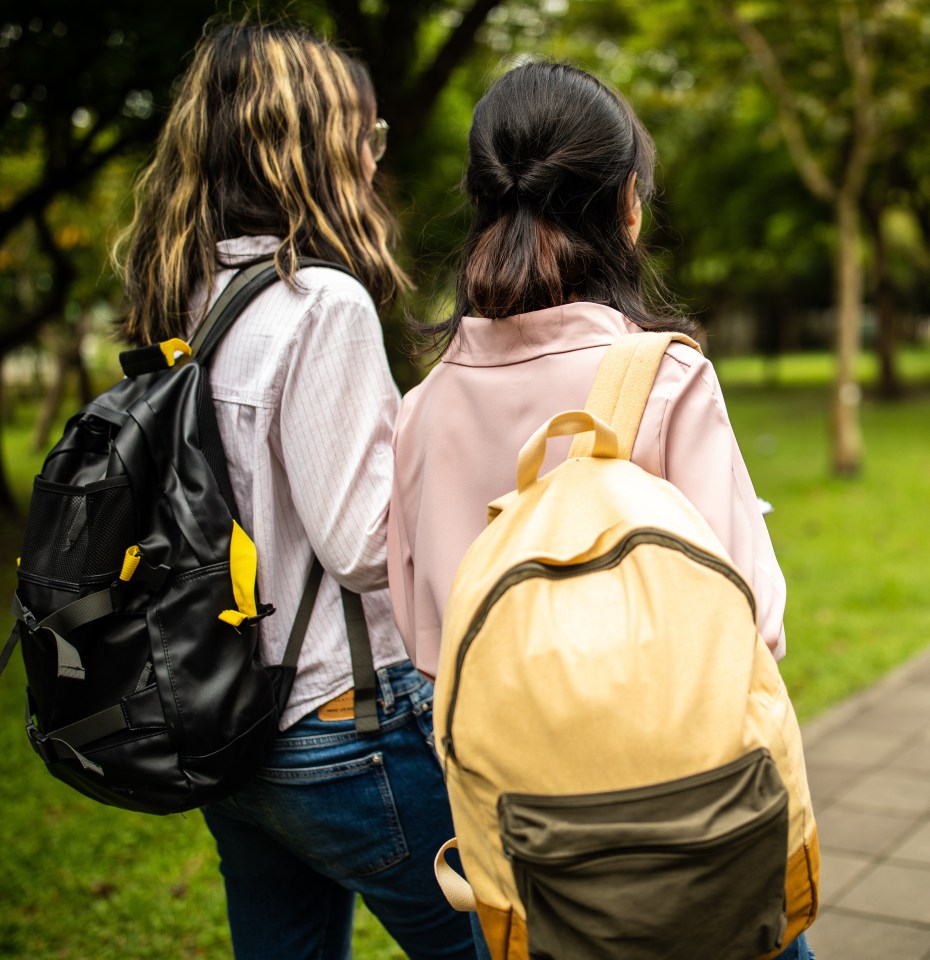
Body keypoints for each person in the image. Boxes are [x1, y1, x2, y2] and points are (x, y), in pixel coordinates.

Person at [387, 61, 814, 960]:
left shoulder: (423, 409)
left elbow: (430, 645)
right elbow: (755, 621)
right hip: (692, 819)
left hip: (529, 857)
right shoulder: (663, 377)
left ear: (482, 200)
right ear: (628, 204)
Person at [113, 19, 478, 960]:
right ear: (306, 148)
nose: (372, 155)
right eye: (364, 132)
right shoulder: (322, 303)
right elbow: (363, 549)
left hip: (229, 726)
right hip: (342, 730)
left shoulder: (190, 295)